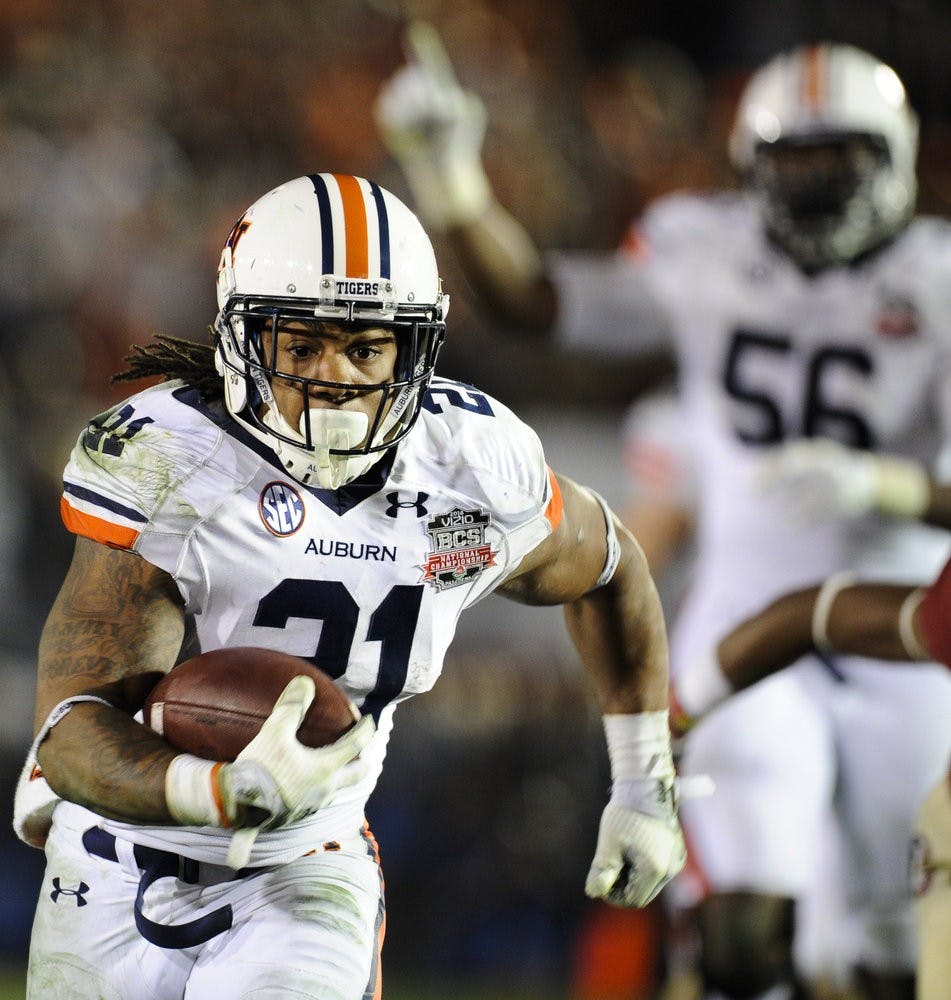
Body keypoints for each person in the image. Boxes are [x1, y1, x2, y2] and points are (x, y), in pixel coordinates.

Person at [12, 173, 686, 999]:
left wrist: (643, 782)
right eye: (302, 346)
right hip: (115, 853)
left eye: (366, 348)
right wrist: (214, 787)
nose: (334, 379)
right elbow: (73, 728)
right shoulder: (170, 457)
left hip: (305, 862)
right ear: (242, 341)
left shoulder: (472, 464)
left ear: (415, 349)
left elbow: (612, 570)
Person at [376, 33, 951, 998]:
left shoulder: (938, 277)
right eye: (792, 159)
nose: (811, 185)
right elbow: (535, 301)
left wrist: (886, 489)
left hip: (910, 633)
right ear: (748, 167)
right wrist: (451, 181)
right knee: (738, 936)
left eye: (836, 160)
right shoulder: (703, 246)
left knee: (883, 949)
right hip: (747, 606)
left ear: (893, 158)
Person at [670, 551, 951, 1000]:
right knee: (741, 936)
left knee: (897, 950)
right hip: (749, 612)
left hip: (904, 654)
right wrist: (674, 710)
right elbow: (816, 617)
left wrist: (896, 492)